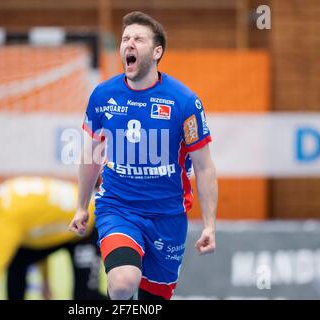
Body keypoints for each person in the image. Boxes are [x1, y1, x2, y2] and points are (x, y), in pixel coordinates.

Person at [69, 11, 218, 300]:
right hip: (118, 208)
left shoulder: (184, 101)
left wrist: (210, 224)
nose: (129, 44)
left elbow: (204, 167)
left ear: (157, 51)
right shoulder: (103, 95)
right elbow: (91, 157)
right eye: (125, 38)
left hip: (167, 216)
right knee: (123, 283)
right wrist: (81, 206)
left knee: (153, 301)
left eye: (138, 38)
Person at [0, 174, 106, 300]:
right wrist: (45, 281)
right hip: (69, 225)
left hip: (90, 223)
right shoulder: (8, 193)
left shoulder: (9, 213)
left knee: (85, 297)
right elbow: (39, 239)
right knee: (18, 258)